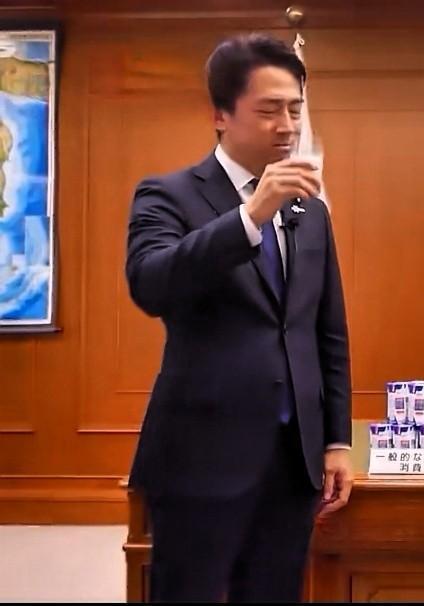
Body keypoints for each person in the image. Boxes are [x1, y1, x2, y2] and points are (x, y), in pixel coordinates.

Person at [125, 33, 353, 602]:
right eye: (269, 110)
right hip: (200, 459)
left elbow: (326, 332)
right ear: (221, 115)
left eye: (295, 109)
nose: (287, 126)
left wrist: (337, 441)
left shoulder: (310, 210)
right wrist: (250, 216)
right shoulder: (167, 194)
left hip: (293, 463)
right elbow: (151, 284)